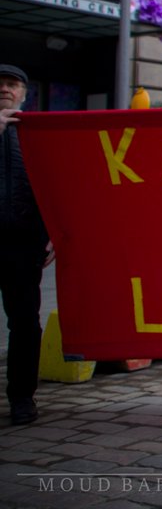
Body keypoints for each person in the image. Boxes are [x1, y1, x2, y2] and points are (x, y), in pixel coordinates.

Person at [0, 64, 52, 424]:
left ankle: (22, 397)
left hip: (23, 242)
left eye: (12, 84)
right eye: (0, 84)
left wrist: (55, 232)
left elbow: (56, 187)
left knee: (24, 323)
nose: (5, 89)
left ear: (24, 92)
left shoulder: (38, 134)